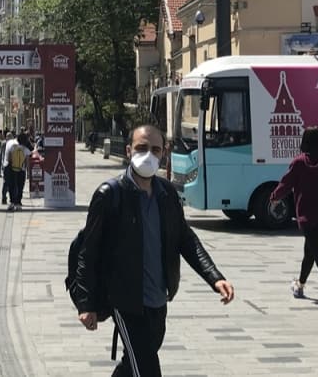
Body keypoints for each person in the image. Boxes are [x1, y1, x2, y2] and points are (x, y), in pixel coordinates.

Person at [73, 125, 233, 376]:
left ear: (164, 153)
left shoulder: (167, 193)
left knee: (134, 364)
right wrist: (85, 304)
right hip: (125, 300)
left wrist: (215, 277)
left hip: (159, 300)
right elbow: (88, 253)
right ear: (128, 151)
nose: (148, 154)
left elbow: (185, 239)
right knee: (147, 370)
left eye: (155, 149)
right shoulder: (110, 194)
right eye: (141, 148)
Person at [270, 128, 318, 308]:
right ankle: (300, 285)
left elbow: (285, 184)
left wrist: (274, 198)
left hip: (305, 214)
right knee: (309, 252)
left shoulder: (299, 163)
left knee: (317, 254)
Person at [4, 133, 30, 212]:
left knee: (12, 186)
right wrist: (27, 172)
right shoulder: (26, 149)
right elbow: (27, 162)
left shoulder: (12, 147)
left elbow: (8, 159)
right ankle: (18, 203)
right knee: (20, 187)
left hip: (12, 169)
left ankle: (12, 203)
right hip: (21, 170)